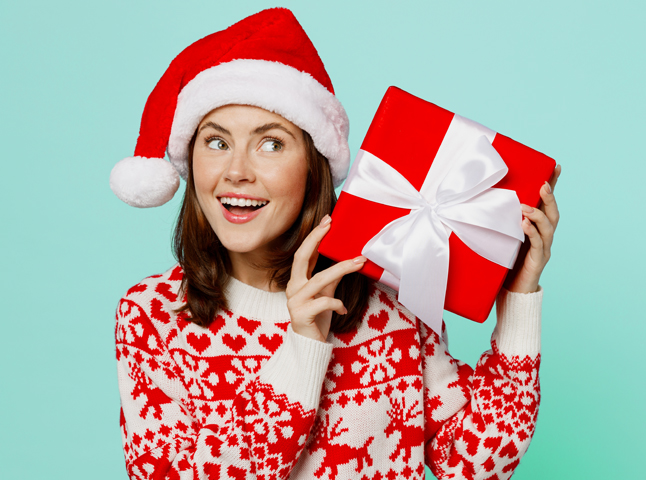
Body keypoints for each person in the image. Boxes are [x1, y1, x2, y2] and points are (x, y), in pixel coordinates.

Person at [110, 8, 561, 480]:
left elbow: (474, 463)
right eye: (216, 142)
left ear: (314, 164)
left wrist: (518, 295)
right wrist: (304, 345)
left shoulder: (390, 303)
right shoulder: (152, 316)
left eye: (271, 144)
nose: (236, 171)